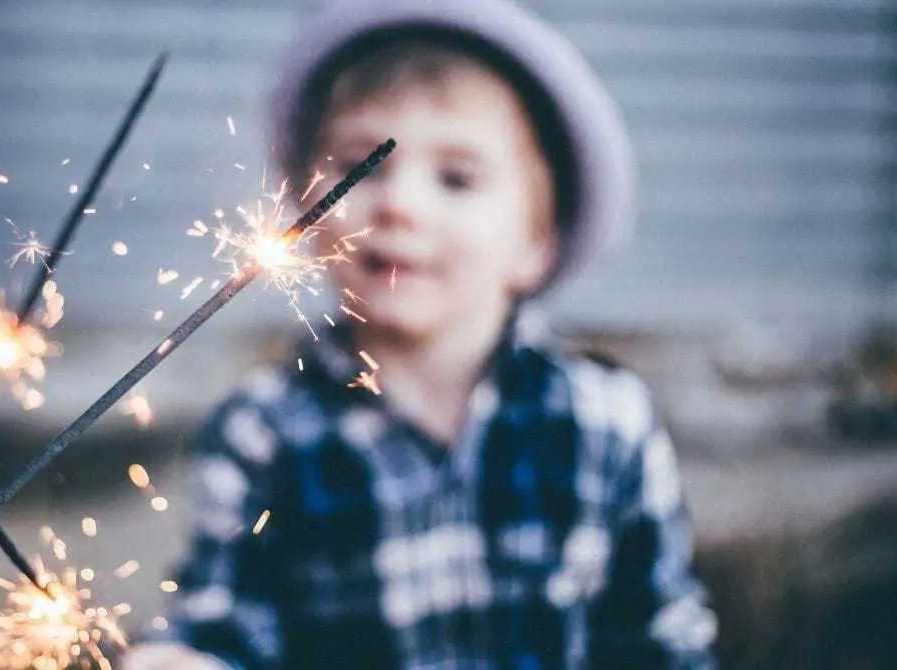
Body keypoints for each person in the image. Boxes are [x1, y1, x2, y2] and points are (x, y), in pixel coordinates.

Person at [124, 0, 717, 667]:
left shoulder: (607, 423)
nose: (401, 202)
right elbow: (224, 624)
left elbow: (659, 642)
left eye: (456, 178)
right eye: (363, 166)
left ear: (536, 239)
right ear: (307, 217)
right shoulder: (263, 433)